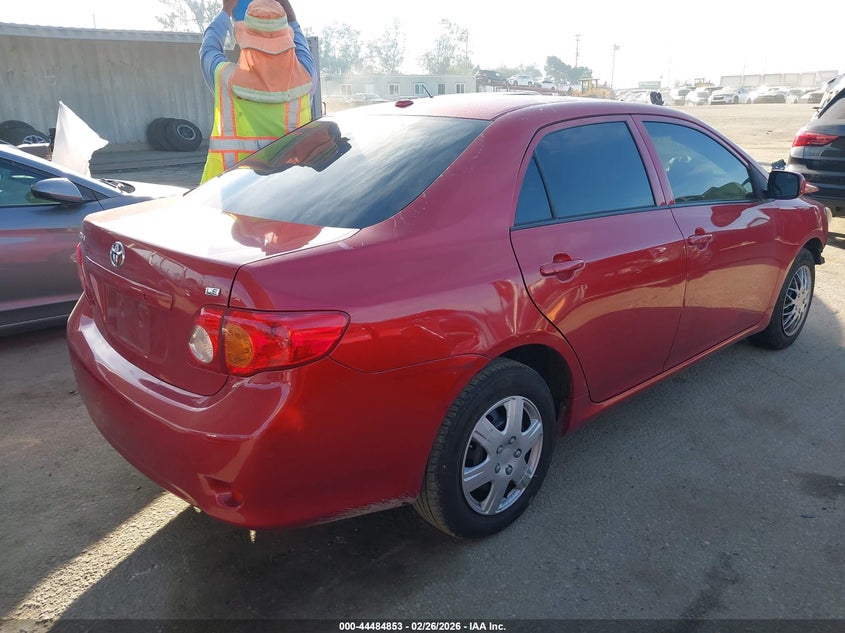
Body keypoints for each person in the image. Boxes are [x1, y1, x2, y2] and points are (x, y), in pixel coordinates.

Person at [199, 0, 315, 183]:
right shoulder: (306, 77)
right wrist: (286, 9)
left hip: (224, 193)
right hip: (282, 193)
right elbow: (301, 44)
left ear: (245, 38)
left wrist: (226, 10)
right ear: (287, 37)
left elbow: (208, 48)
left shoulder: (224, 77)